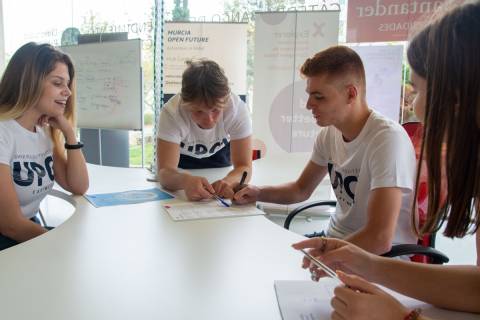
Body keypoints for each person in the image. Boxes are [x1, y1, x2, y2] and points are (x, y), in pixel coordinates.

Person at [293, 2, 480, 318]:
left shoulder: (387, 136)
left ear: (460, 98)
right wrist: (365, 264)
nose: (416, 108)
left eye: (419, 91)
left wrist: (401, 317)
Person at [234, 45, 417, 255]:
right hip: (336, 242)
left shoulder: (387, 139)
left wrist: (322, 255)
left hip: (380, 261)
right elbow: (300, 190)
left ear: (351, 94)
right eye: (310, 95)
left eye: (319, 97)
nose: (309, 105)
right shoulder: (329, 134)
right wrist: (257, 193)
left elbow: (379, 239)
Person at [0, 42, 89, 251]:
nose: (67, 92)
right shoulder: (4, 133)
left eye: (67, 84)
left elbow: (77, 186)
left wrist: (68, 133)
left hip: (28, 232)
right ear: (29, 83)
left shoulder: (42, 131)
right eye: (58, 83)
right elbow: (10, 225)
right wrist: (62, 244)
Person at [156, 59, 252, 201]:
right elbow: (164, 173)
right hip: (182, 166)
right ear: (185, 103)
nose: (209, 120)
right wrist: (185, 181)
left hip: (221, 163)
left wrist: (229, 182)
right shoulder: (172, 112)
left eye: (215, 110)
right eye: (198, 111)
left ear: (226, 100)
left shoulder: (237, 110)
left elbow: (244, 166)